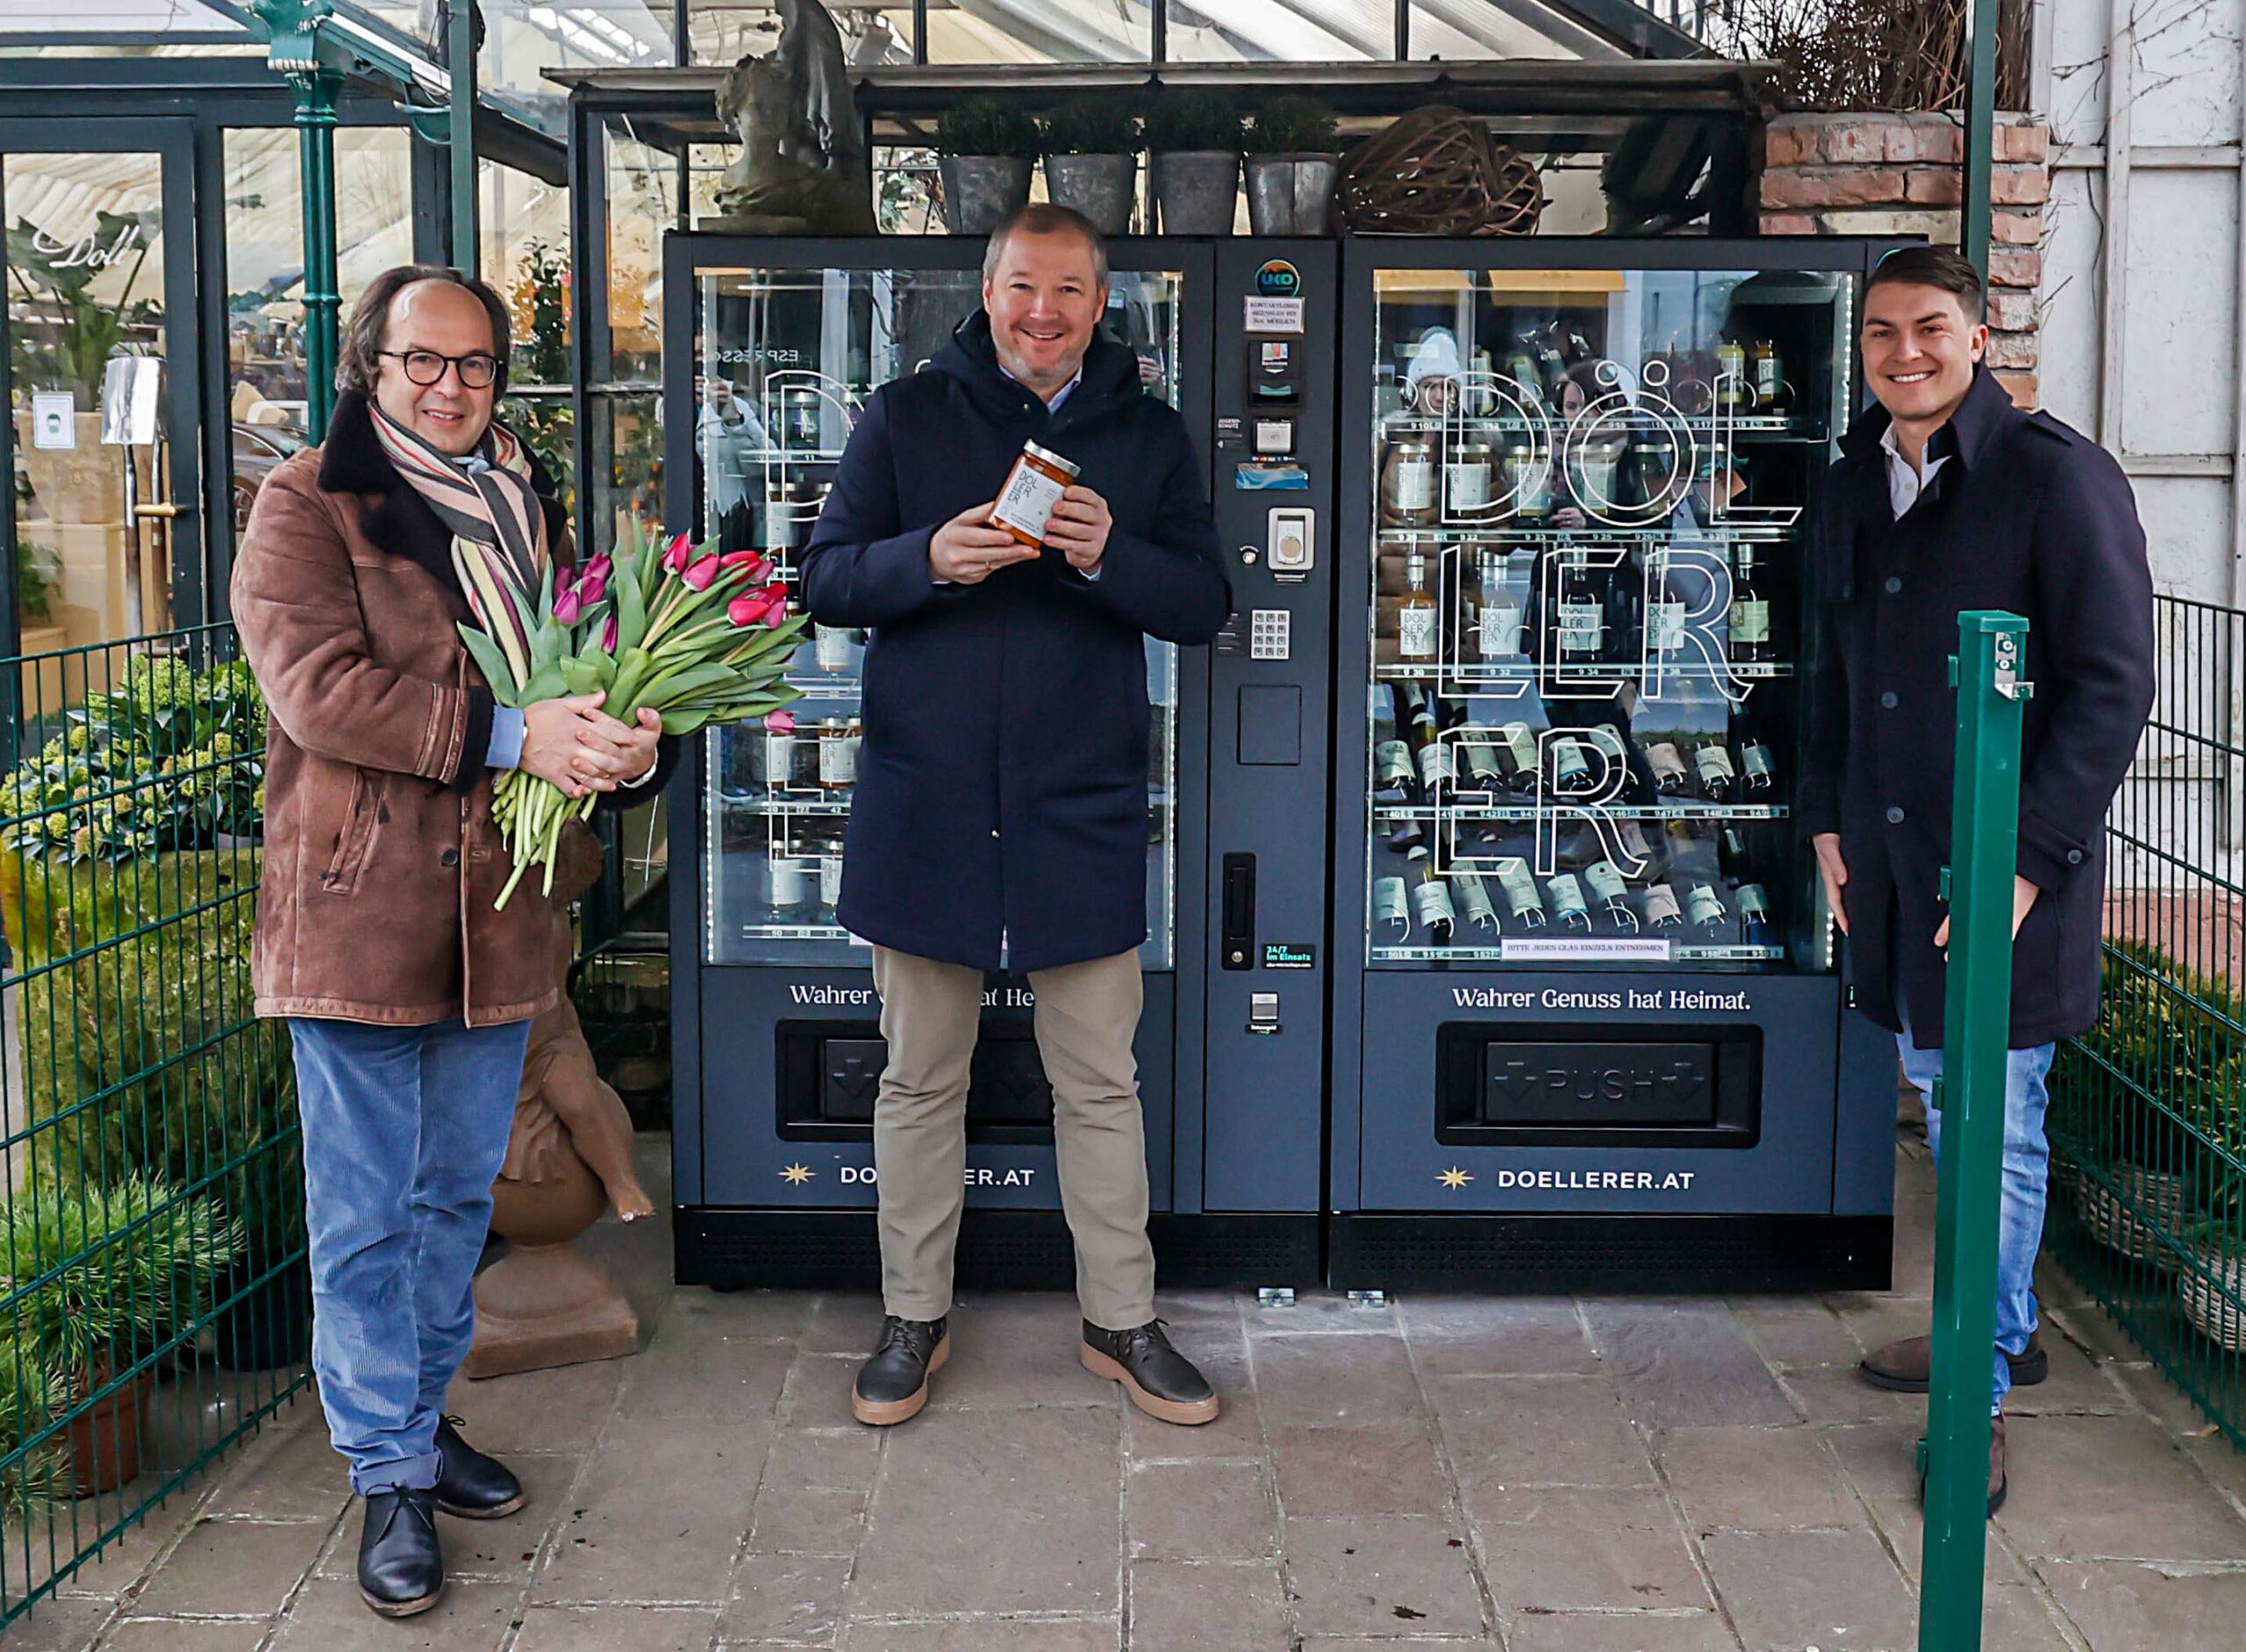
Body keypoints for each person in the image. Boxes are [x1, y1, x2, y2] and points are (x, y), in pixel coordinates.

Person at [232, 265, 669, 1618]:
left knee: (451, 1204)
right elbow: (319, 693)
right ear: (373, 364)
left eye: (475, 366)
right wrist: (510, 738)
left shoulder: (520, 506)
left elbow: (565, 681)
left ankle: (418, 1425)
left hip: (497, 922)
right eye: (424, 361)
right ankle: (386, 1476)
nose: (450, 386)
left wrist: (624, 743)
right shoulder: (307, 503)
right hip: (360, 913)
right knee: (366, 1216)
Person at [798, 203, 1232, 1429]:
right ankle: (911, 1318)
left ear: (1102, 306)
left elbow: (1204, 601)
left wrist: (1109, 558)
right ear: (986, 294)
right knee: (918, 1081)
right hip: (924, 804)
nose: (1045, 314)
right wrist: (926, 558)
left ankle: (1123, 1322)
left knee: (1100, 1083)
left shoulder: (1145, 438)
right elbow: (825, 580)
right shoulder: (904, 417)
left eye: (1071, 293)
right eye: (1023, 289)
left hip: (1078, 808)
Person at [1799, 245, 2155, 1515]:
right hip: (1888, 861)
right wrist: (1825, 823)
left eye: (1931, 328)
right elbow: (1830, 669)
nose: (1905, 352)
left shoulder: (2057, 480)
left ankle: (1979, 1390)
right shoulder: (1852, 481)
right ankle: (1997, 1327)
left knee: (1987, 1126)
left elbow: (2113, 688)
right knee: (1953, 1102)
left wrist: (2029, 863)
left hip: (2003, 874)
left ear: (1981, 334)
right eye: (1884, 332)